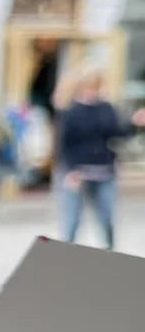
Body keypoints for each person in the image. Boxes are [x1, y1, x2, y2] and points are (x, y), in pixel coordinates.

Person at [54, 67, 145, 250]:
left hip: (104, 171)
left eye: (96, 86)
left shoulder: (105, 108)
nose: (93, 91)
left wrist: (134, 123)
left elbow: (117, 134)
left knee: (106, 218)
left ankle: (109, 252)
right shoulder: (71, 111)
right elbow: (64, 144)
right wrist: (71, 170)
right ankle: (64, 256)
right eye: (90, 86)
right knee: (72, 220)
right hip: (78, 172)